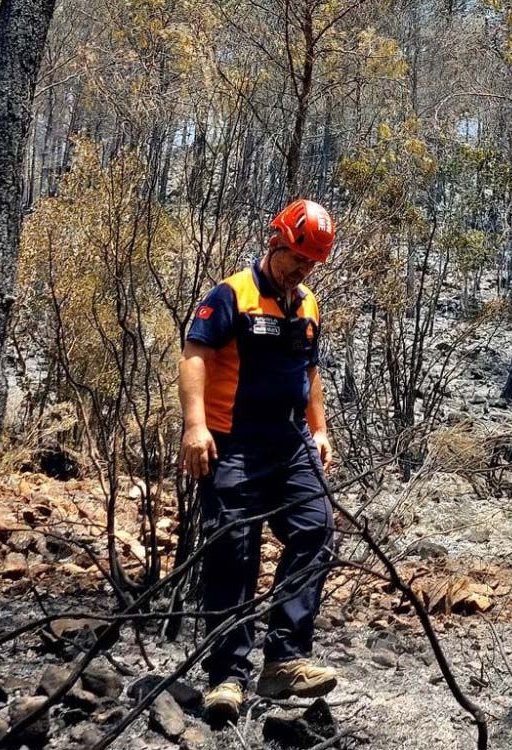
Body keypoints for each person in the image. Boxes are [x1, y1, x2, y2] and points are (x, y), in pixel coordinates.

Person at [178, 198, 340, 722]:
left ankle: (285, 660)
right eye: (297, 256)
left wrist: (319, 429)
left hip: (290, 443)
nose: (302, 268)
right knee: (234, 548)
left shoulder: (308, 305)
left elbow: (309, 371)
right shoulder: (232, 295)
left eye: (312, 262)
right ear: (276, 243)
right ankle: (226, 676)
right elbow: (194, 356)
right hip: (233, 443)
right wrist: (195, 426)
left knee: (316, 529)